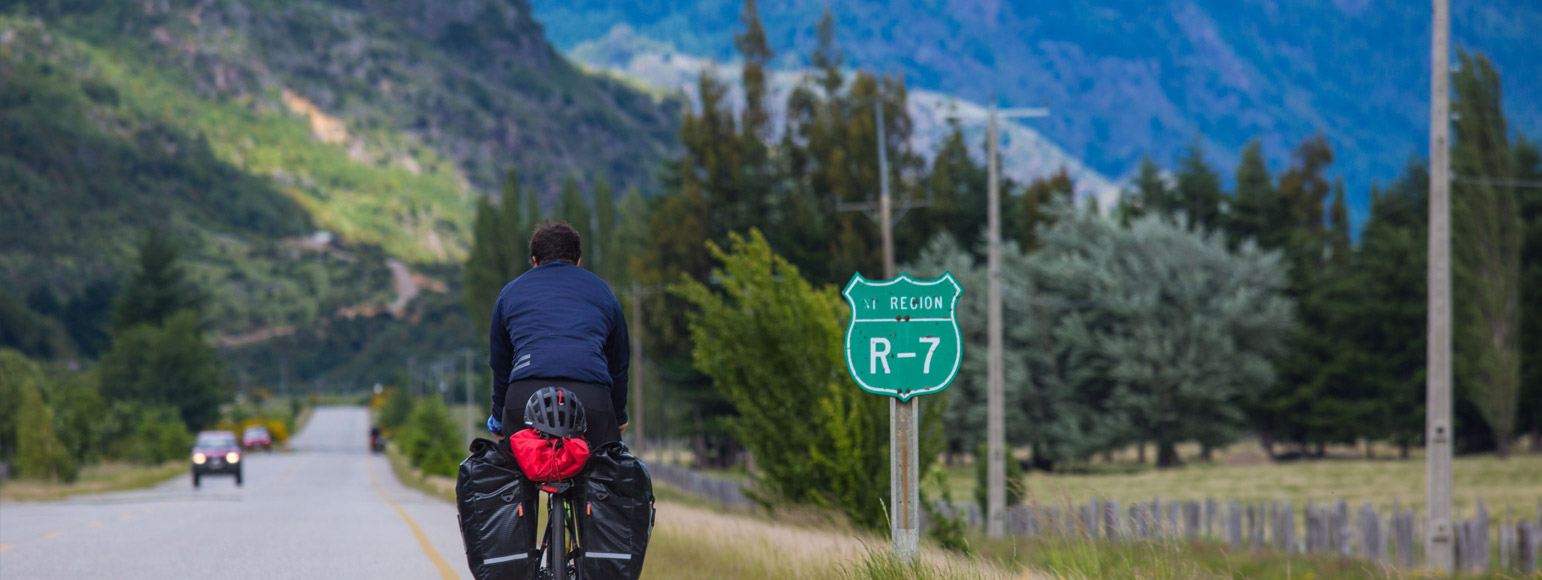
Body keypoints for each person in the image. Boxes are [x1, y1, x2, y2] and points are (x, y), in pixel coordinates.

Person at [487, 221, 629, 446]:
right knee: (606, 466)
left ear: (534, 261)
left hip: (524, 396)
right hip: (591, 397)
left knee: (514, 465)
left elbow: (500, 365)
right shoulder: (603, 292)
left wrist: (498, 418)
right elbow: (619, 364)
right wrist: (618, 416)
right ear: (578, 262)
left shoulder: (509, 294)